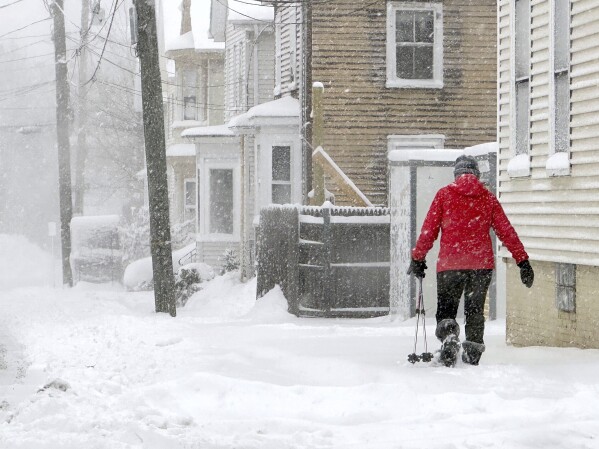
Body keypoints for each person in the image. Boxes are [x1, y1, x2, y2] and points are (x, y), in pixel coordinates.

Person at [407, 155, 534, 367]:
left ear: (456, 175)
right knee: (475, 311)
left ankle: (449, 338)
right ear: (476, 174)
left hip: (450, 265)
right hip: (480, 266)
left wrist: (418, 257)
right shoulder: (487, 198)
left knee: (446, 309)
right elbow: (506, 231)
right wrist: (522, 261)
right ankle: (472, 353)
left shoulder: (444, 195)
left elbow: (429, 230)